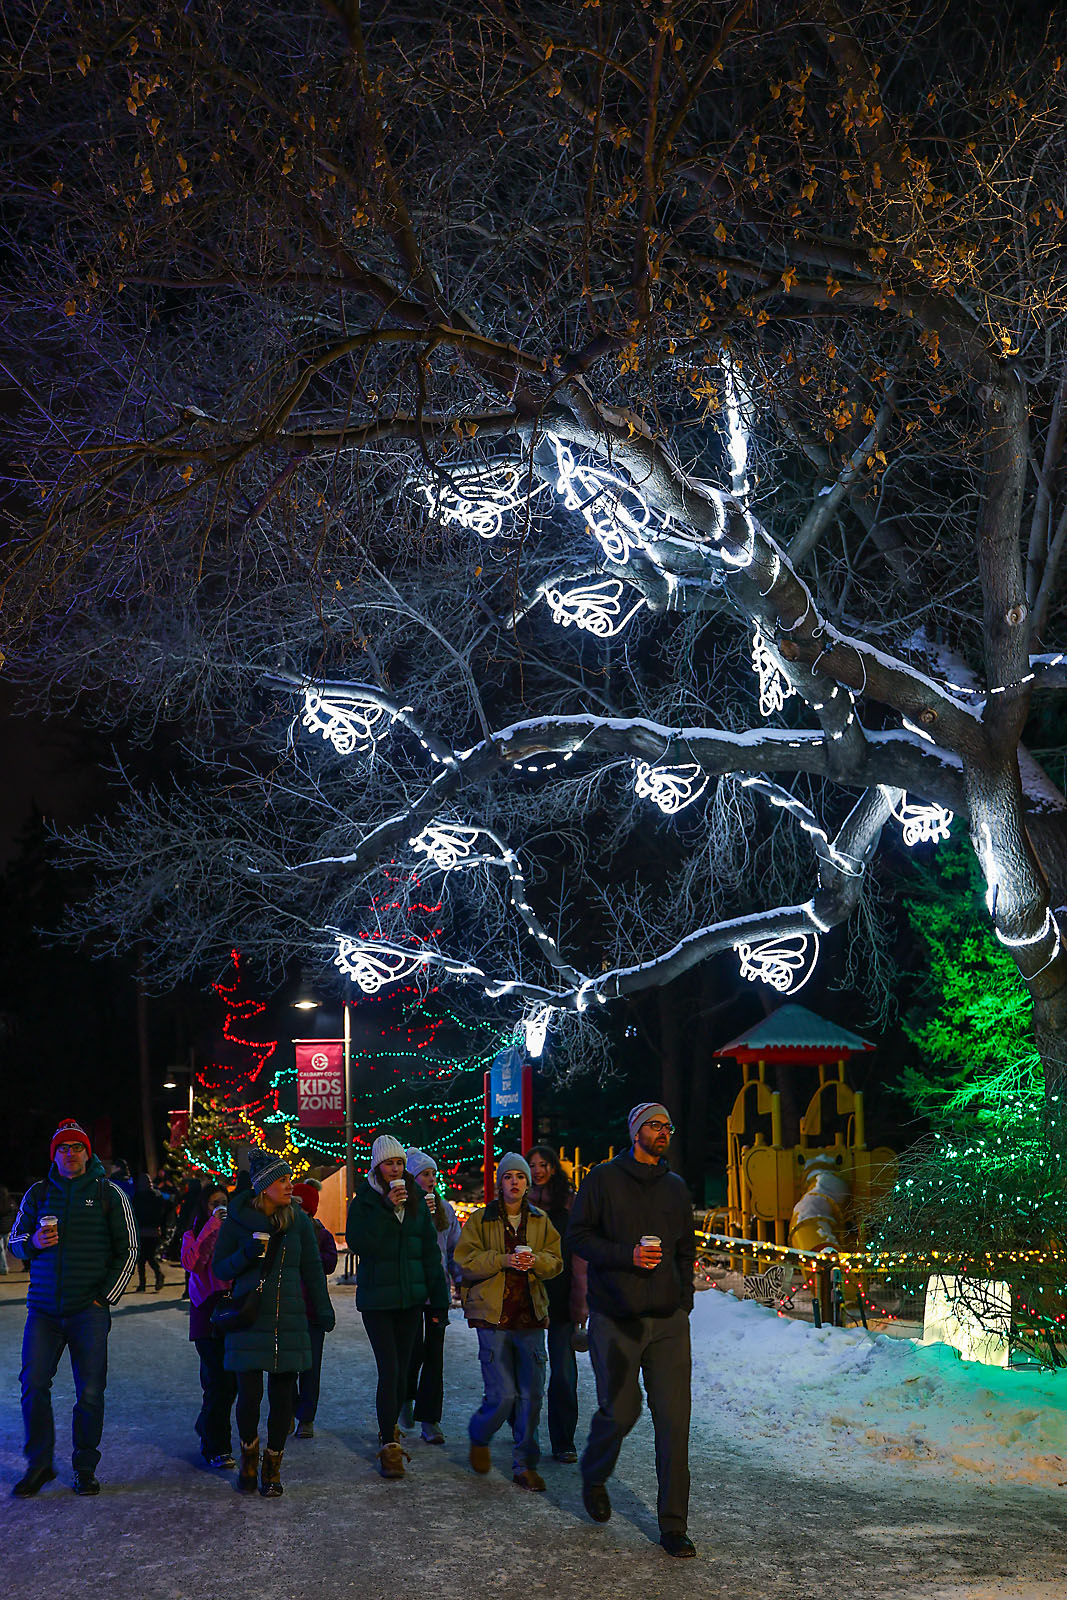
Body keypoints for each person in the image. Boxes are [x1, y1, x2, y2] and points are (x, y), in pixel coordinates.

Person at [568, 1102, 697, 1559]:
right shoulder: (603, 1180)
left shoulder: (677, 1189)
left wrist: (684, 1302)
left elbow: (685, 1249)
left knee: (674, 1423)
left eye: (668, 1126)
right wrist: (627, 1255)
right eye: (655, 1126)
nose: (663, 1132)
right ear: (636, 1130)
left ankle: (674, 1526)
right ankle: (595, 1474)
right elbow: (577, 1236)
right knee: (621, 1411)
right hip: (616, 1319)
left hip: (667, 1323)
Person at [8, 1119, 138, 1497]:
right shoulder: (39, 1192)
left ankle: (84, 1466)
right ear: (55, 1155)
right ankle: (40, 1464)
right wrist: (33, 1241)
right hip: (44, 1311)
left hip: (88, 1311)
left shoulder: (108, 1193)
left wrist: (104, 1297)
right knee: (33, 1385)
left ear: (88, 1152)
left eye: (76, 1147)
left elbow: (128, 1249)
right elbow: (15, 1242)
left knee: (90, 1392)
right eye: (63, 1148)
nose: (70, 1154)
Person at [212, 1151, 334, 1498]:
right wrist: (246, 1255)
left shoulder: (298, 1221)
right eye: (282, 1180)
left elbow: (312, 1268)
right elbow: (219, 1269)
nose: (289, 1184)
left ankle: (272, 1465)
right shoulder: (237, 1222)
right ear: (264, 1188)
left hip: (289, 1321)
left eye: (288, 1178)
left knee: (283, 1400)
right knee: (248, 1396)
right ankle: (249, 1455)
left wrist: (322, 1310)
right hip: (249, 1320)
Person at [454, 1152, 562, 1492]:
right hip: (493, 1317)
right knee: (502, 1395)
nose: (514, 1182)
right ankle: (480, 1433)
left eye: (520, 1176)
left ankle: (524, 1464)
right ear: (499, 1183)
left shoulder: (541, 1220)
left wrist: (536, 1262)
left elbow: (556, 1261)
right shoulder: (481, 1220)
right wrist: (503, 1259)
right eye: (508, 1176)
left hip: (530, 1316)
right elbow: (464, 1261)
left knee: (531, 1395)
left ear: (528, 1183)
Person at [345, 1134, 449, 1478]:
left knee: (404, 1368)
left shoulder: (418, 1199)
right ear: (378, 1166)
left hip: (411, 1299)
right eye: (389, 1163)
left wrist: (439, 1297)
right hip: (378, 1300)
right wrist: (388, 1207)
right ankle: (389, 1440)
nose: (395, 1169)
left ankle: (392, 1424)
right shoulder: (366, 1201)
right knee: (389, 1367)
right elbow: (360, 1243)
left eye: (400, 1163)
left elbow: (429, 1252)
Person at [526, 1145, 588, 1463]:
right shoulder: (521, 1205)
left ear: (553, 1167)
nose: (538, 1170)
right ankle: (525, 1435)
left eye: (543, 1164)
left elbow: (580, 1256)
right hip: (528, 1297)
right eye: (532, 1165)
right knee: (528, 1371)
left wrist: (582, 1299)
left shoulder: (569, 1204)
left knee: (564, 1372)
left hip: (563, 1297)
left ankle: (563, 1440)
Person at [401, 1148, 461, 1445]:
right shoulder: (402, 1208)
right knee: (412, 1352)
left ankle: (430, 1418)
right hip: (411, 1292)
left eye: (433, 1174)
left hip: (437, 1292)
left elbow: (454, 1249)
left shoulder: (445, 1210)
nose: (431, 1179)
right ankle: (405, 1397)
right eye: (425, 1174)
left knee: (434, 1356)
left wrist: (459, 1280)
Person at [180, 1183, 237, 1469]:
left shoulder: (235, 1233)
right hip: (205, 1312)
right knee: (217, 1382)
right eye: (214, 1202)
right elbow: (192, 1263)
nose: (220, 1206)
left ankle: (206, 1426)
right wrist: (212, 1226)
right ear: (204, 1207)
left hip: (233, 1311)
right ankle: (217, 1447)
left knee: (231, 1383)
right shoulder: (192, 1234)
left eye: (224, 1202)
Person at [291, 1180, 338, 1439]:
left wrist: (309, 1258)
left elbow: (330, 1262)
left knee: (310, 1368)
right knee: (286, 1368)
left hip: (312, 1311)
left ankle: (306, 1417)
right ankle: (288, 1411)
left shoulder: (320, 1233)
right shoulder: (282, 1230)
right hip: (287, 1310)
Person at [132, 1172, 169, 1292]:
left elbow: (133, 1214)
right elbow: (163, 1214)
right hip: (154, 1231)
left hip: (140, 1231)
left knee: (141, 1259)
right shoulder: (157, 1195)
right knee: (150, 1256)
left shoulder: (137, 1196)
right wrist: (163, 1230)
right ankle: (158, 1274)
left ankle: (142, 1283)